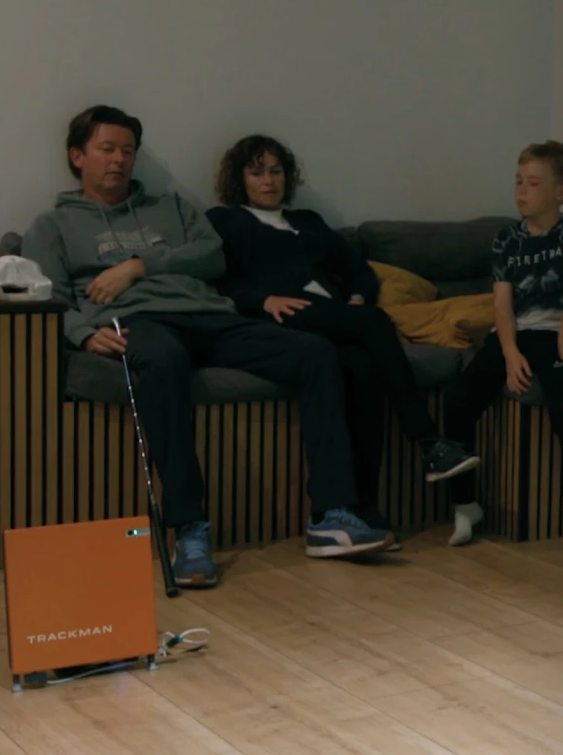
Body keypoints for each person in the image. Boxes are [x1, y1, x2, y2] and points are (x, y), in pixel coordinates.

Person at [20, 106, 393, 587]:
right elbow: (43, 295)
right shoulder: (52, 226)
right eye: (106, 149)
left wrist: (137, 266)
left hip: (213, 315)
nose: (119, 160)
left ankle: (331, 516)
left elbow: (213, 255)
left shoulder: (171, 206)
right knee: (162, 360)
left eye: (127, 151)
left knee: (315, 352)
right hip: (144, 322)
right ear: (77, 156)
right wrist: (82, 332)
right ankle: (189, 528)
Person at [204, 134, 481, 532]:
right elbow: (219, 277)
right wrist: (262, 301)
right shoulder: (226, 220)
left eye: (276, 171)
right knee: (376, 323)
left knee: (363, 368)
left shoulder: (308, 221)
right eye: (257, 172)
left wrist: (356, 297)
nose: (269, 180)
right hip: (284, 316)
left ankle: (362, 511)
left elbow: (359, 269)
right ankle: (427, 441)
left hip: (334, 314)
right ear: (239, 179)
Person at [437, 141, 563, 547]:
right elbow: (501, 306)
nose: (521, 191)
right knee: (459, 397)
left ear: (560, 192)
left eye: (533, 183)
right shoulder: (507, 240)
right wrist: (510, 352)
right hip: (518, 333)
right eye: (518, 181)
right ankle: (465, 505)